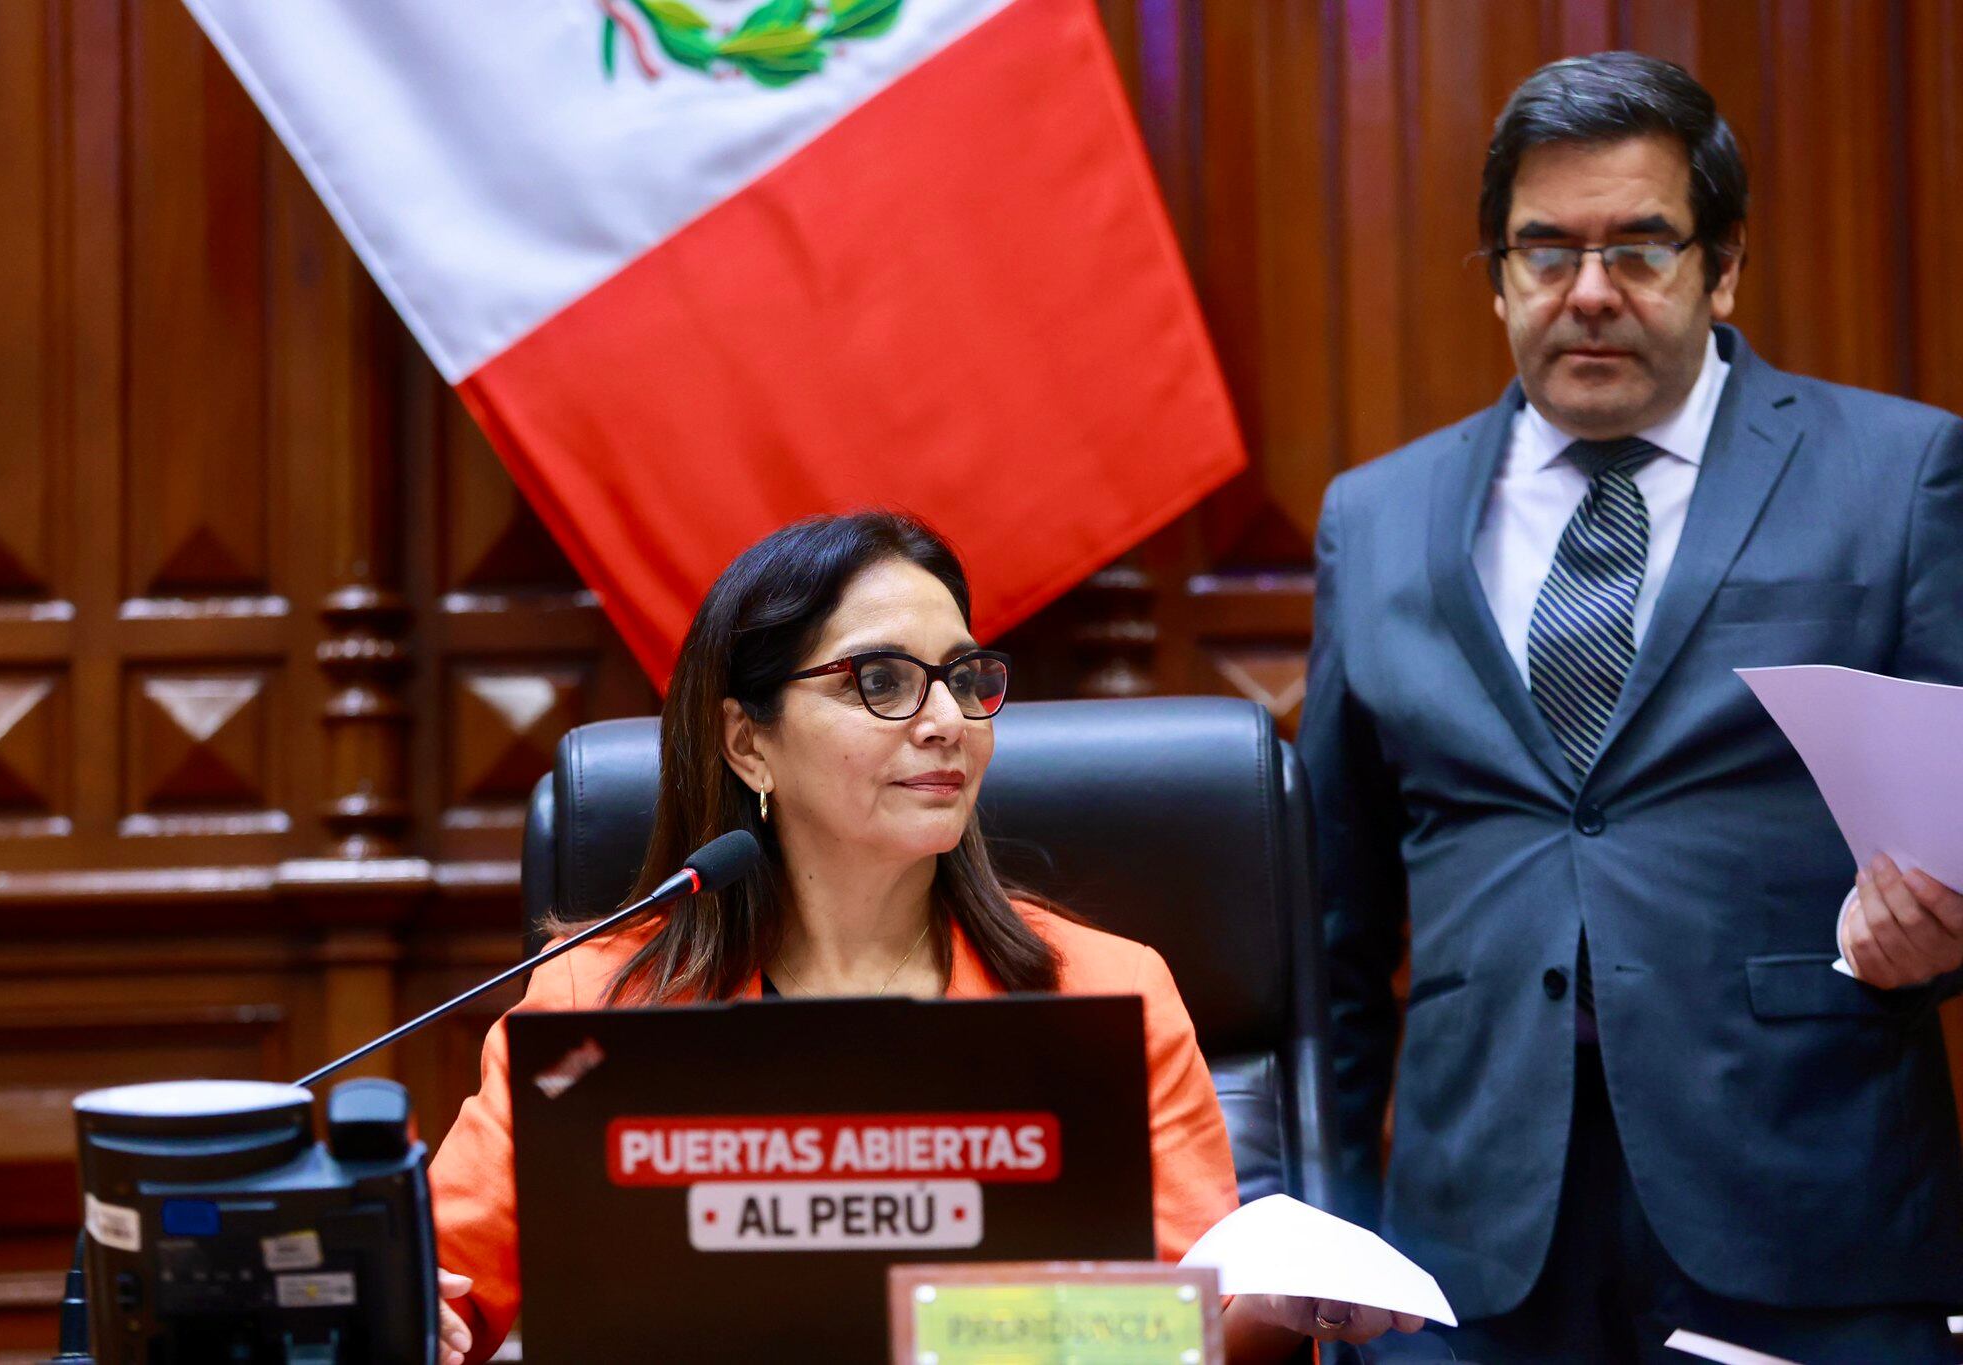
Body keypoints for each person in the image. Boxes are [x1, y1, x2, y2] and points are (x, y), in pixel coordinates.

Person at [1301, 50, 1963, 1363]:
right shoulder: (1374, 519)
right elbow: (1333, 923)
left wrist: (1948, 932)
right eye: (1545, 252)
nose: (1589, 293)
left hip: (1803, 1204)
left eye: (1641, 249)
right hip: (1467, 1229)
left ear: (1722, 270)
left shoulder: (1899, 475)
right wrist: (1328, 1225)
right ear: (1496, 277)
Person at [428, 511, 1423, 1363]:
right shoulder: (593, 1012)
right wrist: (413, 1312)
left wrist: (1272, 1311)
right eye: (881, 680)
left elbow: (1181, 1332)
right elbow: (445, 1290)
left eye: (962, 677)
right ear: (747, 743)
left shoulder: (1106, 992)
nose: (948, 719)